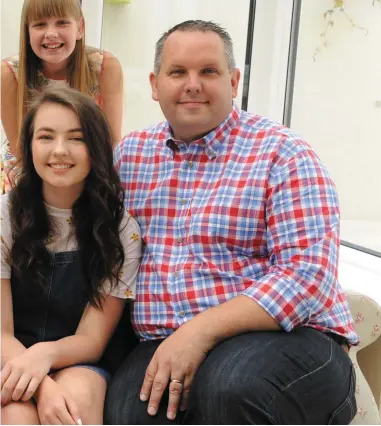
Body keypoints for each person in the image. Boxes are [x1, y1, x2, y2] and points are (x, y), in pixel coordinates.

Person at [105, 20, 359, 425]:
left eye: (208, 71)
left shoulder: (283, 154)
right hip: (163, 340)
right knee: (130, 415)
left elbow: (307, 276)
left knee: (229, 386)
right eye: (178, 72)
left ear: (234, 80)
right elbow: (97, 245)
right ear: (155, 84)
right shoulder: (129, 158)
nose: (193, 84)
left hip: (291, 340)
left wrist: (198, 332)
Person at [1, 87, 141, 425]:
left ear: (96, 149)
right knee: (16, 414)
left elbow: (91, 340)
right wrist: (41, 385)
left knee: (73, 402)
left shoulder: (121, 229)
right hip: (10, 355)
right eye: (46, 137)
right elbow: (2, 333)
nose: (59, 151)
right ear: (28, 146)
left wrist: (44, 356)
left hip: (80, 359)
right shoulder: (5, 217)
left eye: (76, 139)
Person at [1, 0, 124, 194]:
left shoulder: (104, 67)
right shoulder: (9, 73)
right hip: (28, 170)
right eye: (40, 24)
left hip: (87, 166)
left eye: (62, 22)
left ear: (80, 28)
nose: (51, 33)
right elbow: (19, 147)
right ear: (27, 32)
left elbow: (111, 140)